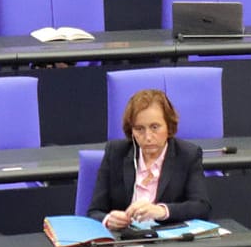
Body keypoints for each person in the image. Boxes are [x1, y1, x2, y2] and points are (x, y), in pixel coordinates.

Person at [89, 88, 212, 231]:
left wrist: (161, 211)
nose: (147, 137)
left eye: (155, 127)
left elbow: (201, 207)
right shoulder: (115, 152)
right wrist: (108, 220)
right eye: (139, 129)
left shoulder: (187, 154)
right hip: (124, 242)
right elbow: (94, 211)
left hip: (168, 245)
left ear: (169, 126)